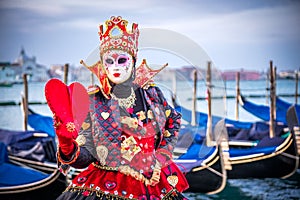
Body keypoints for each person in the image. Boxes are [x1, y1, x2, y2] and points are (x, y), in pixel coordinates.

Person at [45, 16, 189, 200]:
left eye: (121, 60)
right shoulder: (93, 101)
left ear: (133, 60)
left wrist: (161, 157)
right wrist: (67, 145)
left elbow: (173, 121)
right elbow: (85, 157)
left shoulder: (151, 94)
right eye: (109, 61)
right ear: (102, 64)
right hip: (106, 185)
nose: (115, 68)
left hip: (153, 183)